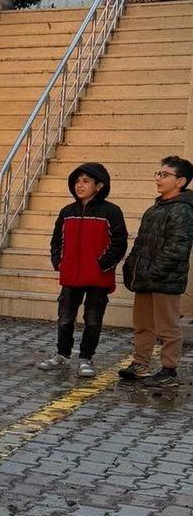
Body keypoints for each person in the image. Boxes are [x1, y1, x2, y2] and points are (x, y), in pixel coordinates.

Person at [37, 162, 128, 377]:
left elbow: (119, 242)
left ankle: (86, 358)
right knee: (65, 318)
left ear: (99, 186)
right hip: (70, 276)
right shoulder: (67, 212)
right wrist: (58, 262)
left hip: (98, 277)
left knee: (93, 319)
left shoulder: (111, 212)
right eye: (77, 181)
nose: (80, 185)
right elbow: (56, 240)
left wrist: (101, 264)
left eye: (86, 181)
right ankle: (62, 355)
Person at [120, 155, 193, 388]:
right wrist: (131, 266)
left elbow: (177, 248)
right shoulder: (155, 208)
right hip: (145, 278)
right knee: (143, 325)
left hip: (165, 280)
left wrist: (153, 272)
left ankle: (169, 370)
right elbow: (141, 242)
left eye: (165, 175)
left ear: (180, 181)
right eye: (158, 174)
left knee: (167, 327)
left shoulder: (183, 211)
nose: (158, 179)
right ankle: (140, 364)